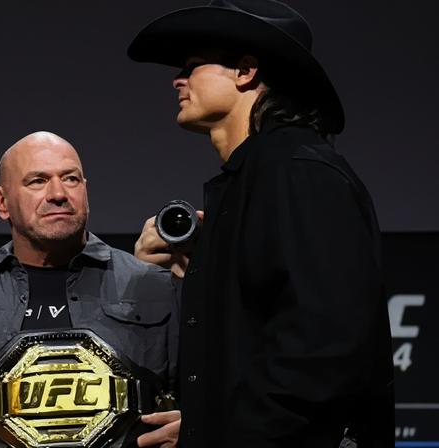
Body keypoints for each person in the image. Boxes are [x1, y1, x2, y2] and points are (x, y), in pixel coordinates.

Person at [127, 1, 394, 447]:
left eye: (192, 67)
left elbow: (322, 353)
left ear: (245, 71)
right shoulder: (251, 181)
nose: (178, 80)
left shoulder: (299, 171)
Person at [0, 131, 182, 448]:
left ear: (85, 190)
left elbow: (223, 394)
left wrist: (194, 428)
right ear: (2, 202)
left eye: (70, 179)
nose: (58, 193)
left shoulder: (158, 289)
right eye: (37, 181)